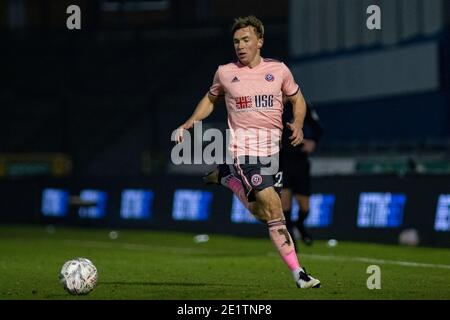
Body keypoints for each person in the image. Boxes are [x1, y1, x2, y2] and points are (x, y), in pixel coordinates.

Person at [175, 15, 320, 289]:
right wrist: (190, 122)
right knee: (276, 208)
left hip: (272, 155)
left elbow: (297, 98)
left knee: (261, 212)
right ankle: (299, 274)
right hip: (245, 153)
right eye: (236, 41)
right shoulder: (226, 72)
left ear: (260, 42)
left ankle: (226, 178)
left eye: (246, 40)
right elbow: (210, 98)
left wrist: (299, 123)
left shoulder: (278, 71)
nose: (240, 46)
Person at [281, 100, 323, 251]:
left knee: (304, 206)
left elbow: (318, 128)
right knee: (285, 203)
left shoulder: (301, 105)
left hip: (300, 161)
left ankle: (299, 224)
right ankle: (291, 239)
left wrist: (313, 142)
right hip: (281, 160)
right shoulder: (272, 105)